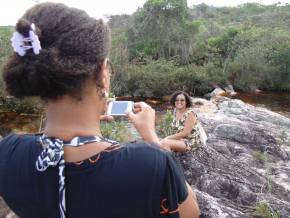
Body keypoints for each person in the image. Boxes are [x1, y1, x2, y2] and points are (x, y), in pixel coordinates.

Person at [0, 3, 199, 218]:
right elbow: (191, 212)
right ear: (103, 73)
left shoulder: (8, 151)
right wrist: (152, 139)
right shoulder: (150, 164)